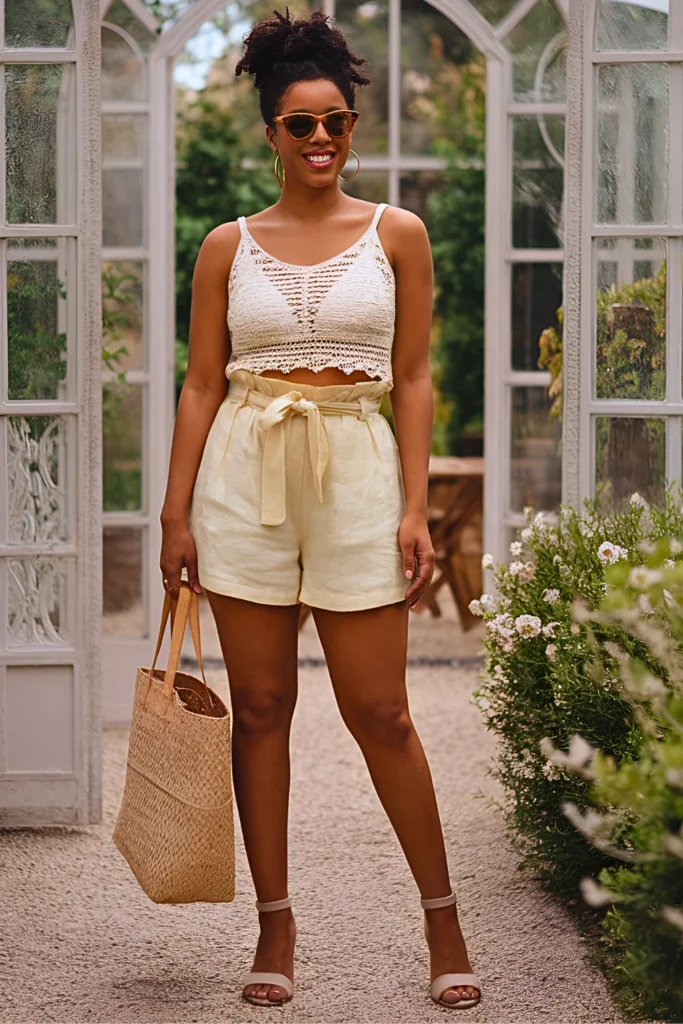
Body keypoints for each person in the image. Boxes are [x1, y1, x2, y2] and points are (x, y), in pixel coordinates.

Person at [159, 7, 481, 1011]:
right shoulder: (225, 246)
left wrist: (411, 507)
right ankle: (275, 924)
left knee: (380, 711)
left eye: (334, 122)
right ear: (269, 133)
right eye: (298, 125)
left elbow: (417, 375)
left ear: (352, 128)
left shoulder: (399, 234)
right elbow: (201, 384)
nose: (318, 141)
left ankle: (442, 919)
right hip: (242, 477)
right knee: (258, 709)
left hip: (355, 468)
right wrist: (173, 516)